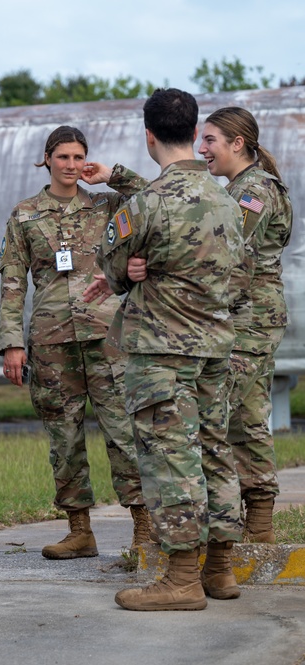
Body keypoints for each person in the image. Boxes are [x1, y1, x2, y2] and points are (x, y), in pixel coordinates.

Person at [87, 88, 244, 611]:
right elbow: (239, 278)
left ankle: (181, 579)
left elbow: (110, 271)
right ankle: (219, 569)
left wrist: (136, 272)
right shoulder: (229, 198)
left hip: (160, 354)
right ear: (194, 132)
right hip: (215, 350)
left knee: (171, 460)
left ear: (148, 134)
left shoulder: (146, 205)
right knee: (216, 452)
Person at [0, 126, 149, 560]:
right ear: (46, 159)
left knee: (123, 432)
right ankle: (79, 531)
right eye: (62, 156)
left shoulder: (108, 204)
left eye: (78, 156)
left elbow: (156, 197)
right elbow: (11, 282)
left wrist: (113, 174)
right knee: (63, 438)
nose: (70, 165)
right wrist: (11, 342)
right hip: (51, 340)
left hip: (108, 336)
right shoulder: (25, 214)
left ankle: (144, 530)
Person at [198, 107, 293, 544]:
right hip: (248, 317)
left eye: (211, 140)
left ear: (237, 143)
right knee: (248, 416)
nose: (203, 149)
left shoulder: (252, 192)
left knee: (216, 415)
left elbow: (221, 246)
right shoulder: (242, 188)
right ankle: (258, 524)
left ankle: (231, 524)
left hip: (248, 319)